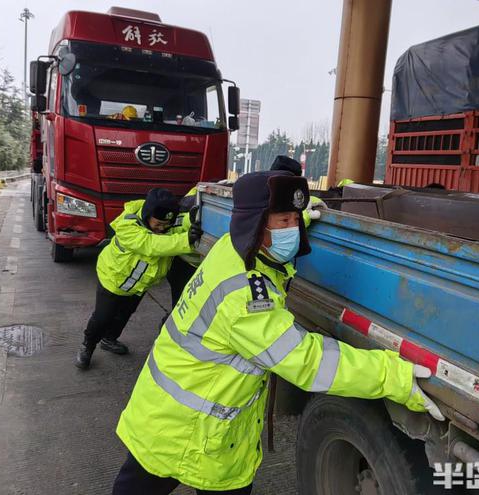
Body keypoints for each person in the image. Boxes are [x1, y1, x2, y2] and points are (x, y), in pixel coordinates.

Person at [111, 171, 443, 494]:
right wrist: (393, 376)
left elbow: (276, 226)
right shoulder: (244, 296)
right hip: (183, 428)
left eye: (294, 220)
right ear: (255, 224)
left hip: (193, 422)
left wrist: (302, 213)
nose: (292, 229)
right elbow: (307, 361)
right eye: (282, 221)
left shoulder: (234, 246)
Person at [75, 188, 202, 369]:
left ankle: (109, 339)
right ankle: (87, 346)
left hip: (138, 285)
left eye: (166, 224)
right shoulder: (128, 226)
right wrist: (187, 240)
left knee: (124, 315)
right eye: (157, 224)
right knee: (102, 317)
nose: (162, 228)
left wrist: (194, 219)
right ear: (146, 215)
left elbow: (179, 223)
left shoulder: (163, 222)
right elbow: (151, 245)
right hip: (113, 280)